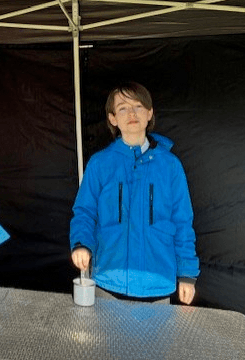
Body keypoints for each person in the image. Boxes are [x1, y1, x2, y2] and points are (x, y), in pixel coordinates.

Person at [70, 81, 199, 305]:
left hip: (157, 285)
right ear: (112, 118)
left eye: (138, 106)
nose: (131, 113)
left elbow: (182, 221)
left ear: (149, 113)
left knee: (156, 342)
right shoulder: (100, 163)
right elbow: (85, 212)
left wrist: (187, 275)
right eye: (122, 108)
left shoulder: (170, 166)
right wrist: (81, 244)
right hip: (108, 282)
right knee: (105, 342)